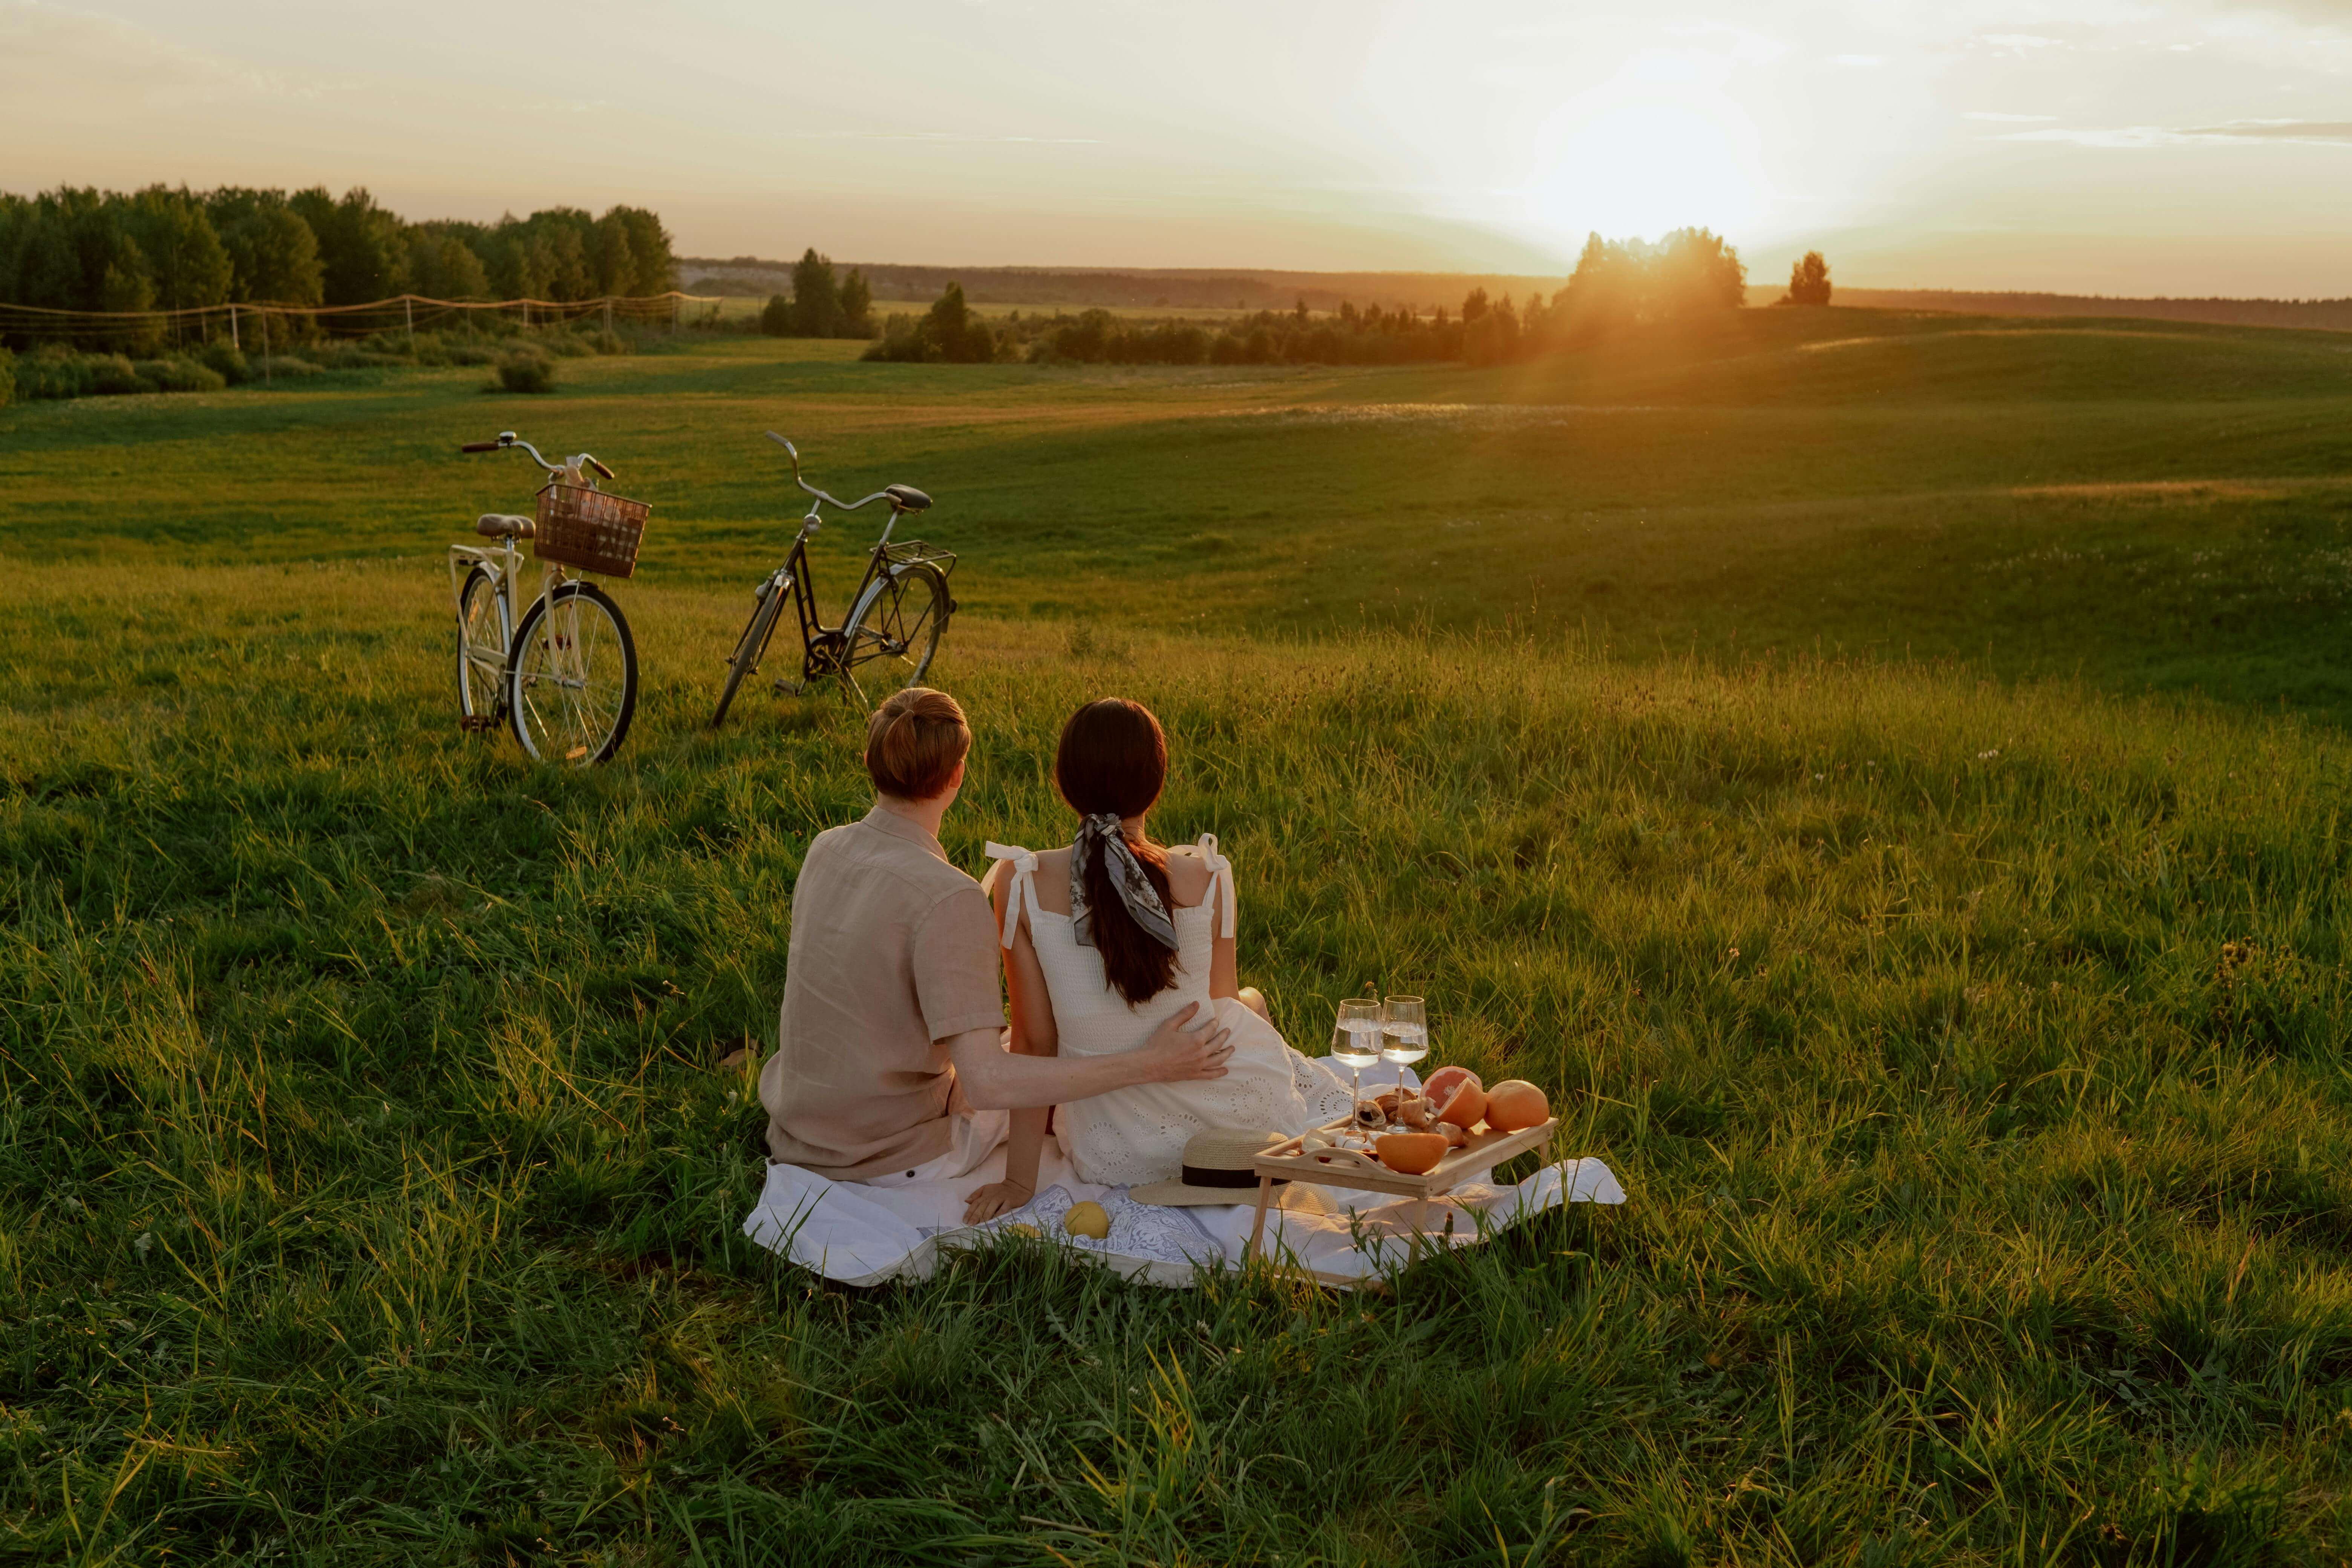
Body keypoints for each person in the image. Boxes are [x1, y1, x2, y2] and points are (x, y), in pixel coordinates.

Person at [757, 688, 1237, 1208]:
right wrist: (1151, 1064)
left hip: (800, 1130)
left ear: (871, 760)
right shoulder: (949, 896)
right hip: (893, 1156)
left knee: (1021, 1049)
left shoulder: (824, 847)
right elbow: (990, 1082)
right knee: (1031, 1063)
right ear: (958, 775)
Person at [974, 698, 1355, 1217]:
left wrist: (1019, 1183)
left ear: (1064, 784)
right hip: (1229, 1129)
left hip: (1110, 1147)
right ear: (1158, 781)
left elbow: (1035, 1042)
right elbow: (1221, 1007)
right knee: (1249, 1002)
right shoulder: (1210, 875)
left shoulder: (1020, 883)